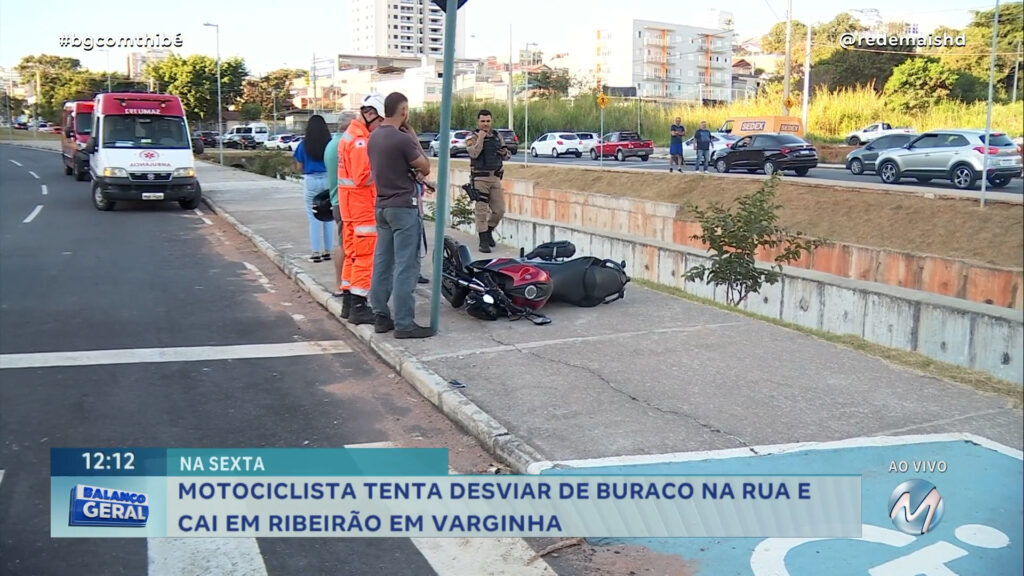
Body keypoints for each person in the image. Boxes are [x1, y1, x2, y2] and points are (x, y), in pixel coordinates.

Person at [367, 92, 434, 339]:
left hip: (381, 206)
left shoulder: (374, 137)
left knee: (383, 263)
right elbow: (425, 167)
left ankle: (381, 316)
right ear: (403, 110)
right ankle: (405, 323)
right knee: (406, 265)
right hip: (404, 208)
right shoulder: (402, 139)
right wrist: (414, 138)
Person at [337, 96, 385, 325]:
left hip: (350, 209)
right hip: (362, 208)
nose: (379, 128)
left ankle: (348, 302)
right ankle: (358, 305)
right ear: (371, 114)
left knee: (352, 256)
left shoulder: (351, 135)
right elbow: (362, 176)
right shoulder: (359, 141)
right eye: (380, 122)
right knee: (365, 257)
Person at [465, 109, 510, 253]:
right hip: (480, 178)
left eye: (488, 121)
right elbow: (474, 153)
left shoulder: (497, 136)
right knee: (481, 211)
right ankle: (483, 240)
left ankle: (489, 231)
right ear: (478, 122)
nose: (485, 124)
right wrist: (481, 139)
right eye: (483, 121)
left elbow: (507, 154)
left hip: (495, 177)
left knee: (500, 210)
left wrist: (504, 153)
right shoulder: (472, 136)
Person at [293, 115, 335, 262]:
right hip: (328, 179)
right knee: (328, 216)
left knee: (313, 217)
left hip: (311, 180)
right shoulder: (330, 143)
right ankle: (328, 251)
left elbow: (299, 166)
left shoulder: (303, 145)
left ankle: (315, 252)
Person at [326, 112, 357, 304]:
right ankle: (341, 285)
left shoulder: (331, 144)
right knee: (345, 245)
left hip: (336, 200)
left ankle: (341, 283)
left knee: (343, 243)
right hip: (346, 202)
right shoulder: (344, 144)